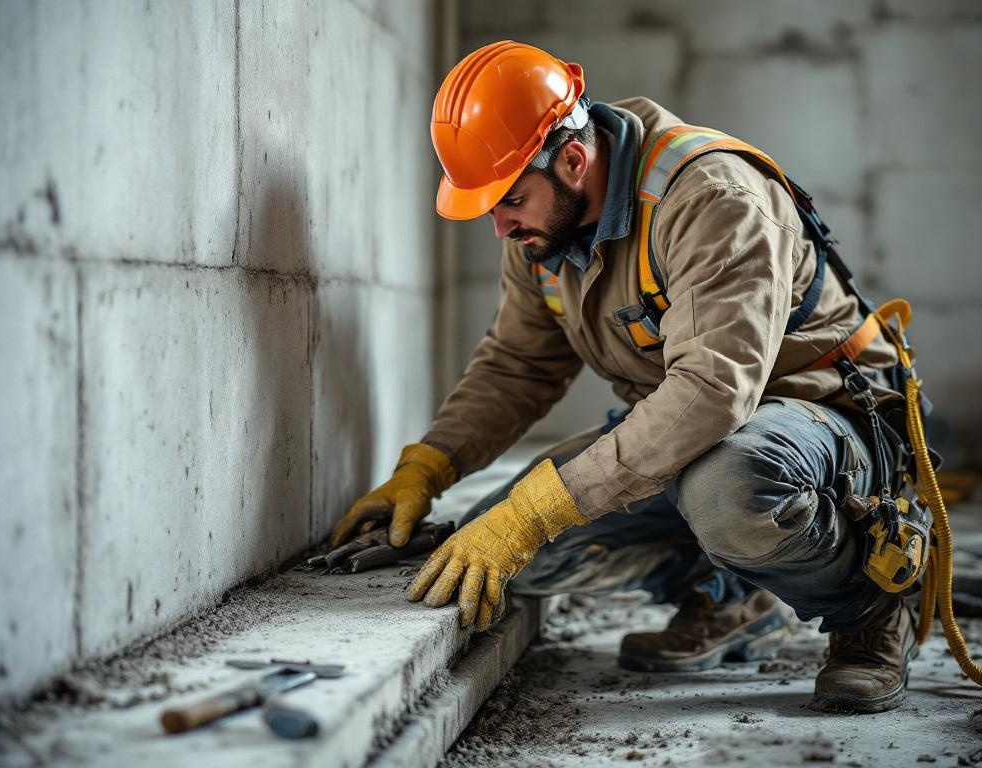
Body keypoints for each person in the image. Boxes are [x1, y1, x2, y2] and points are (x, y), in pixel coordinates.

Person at [330, 40, 921, 714]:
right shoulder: (541, 232)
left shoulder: (710, 198)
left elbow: (711, 391)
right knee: (513, 549)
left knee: (728, 490)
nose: (499, 225)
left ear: (574, 160)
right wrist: (428, 467)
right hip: (695, 427)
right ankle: (734, 596)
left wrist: (541, 508)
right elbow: (518, 367)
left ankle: (871, 611)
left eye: (511, 200)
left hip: (822, 415)